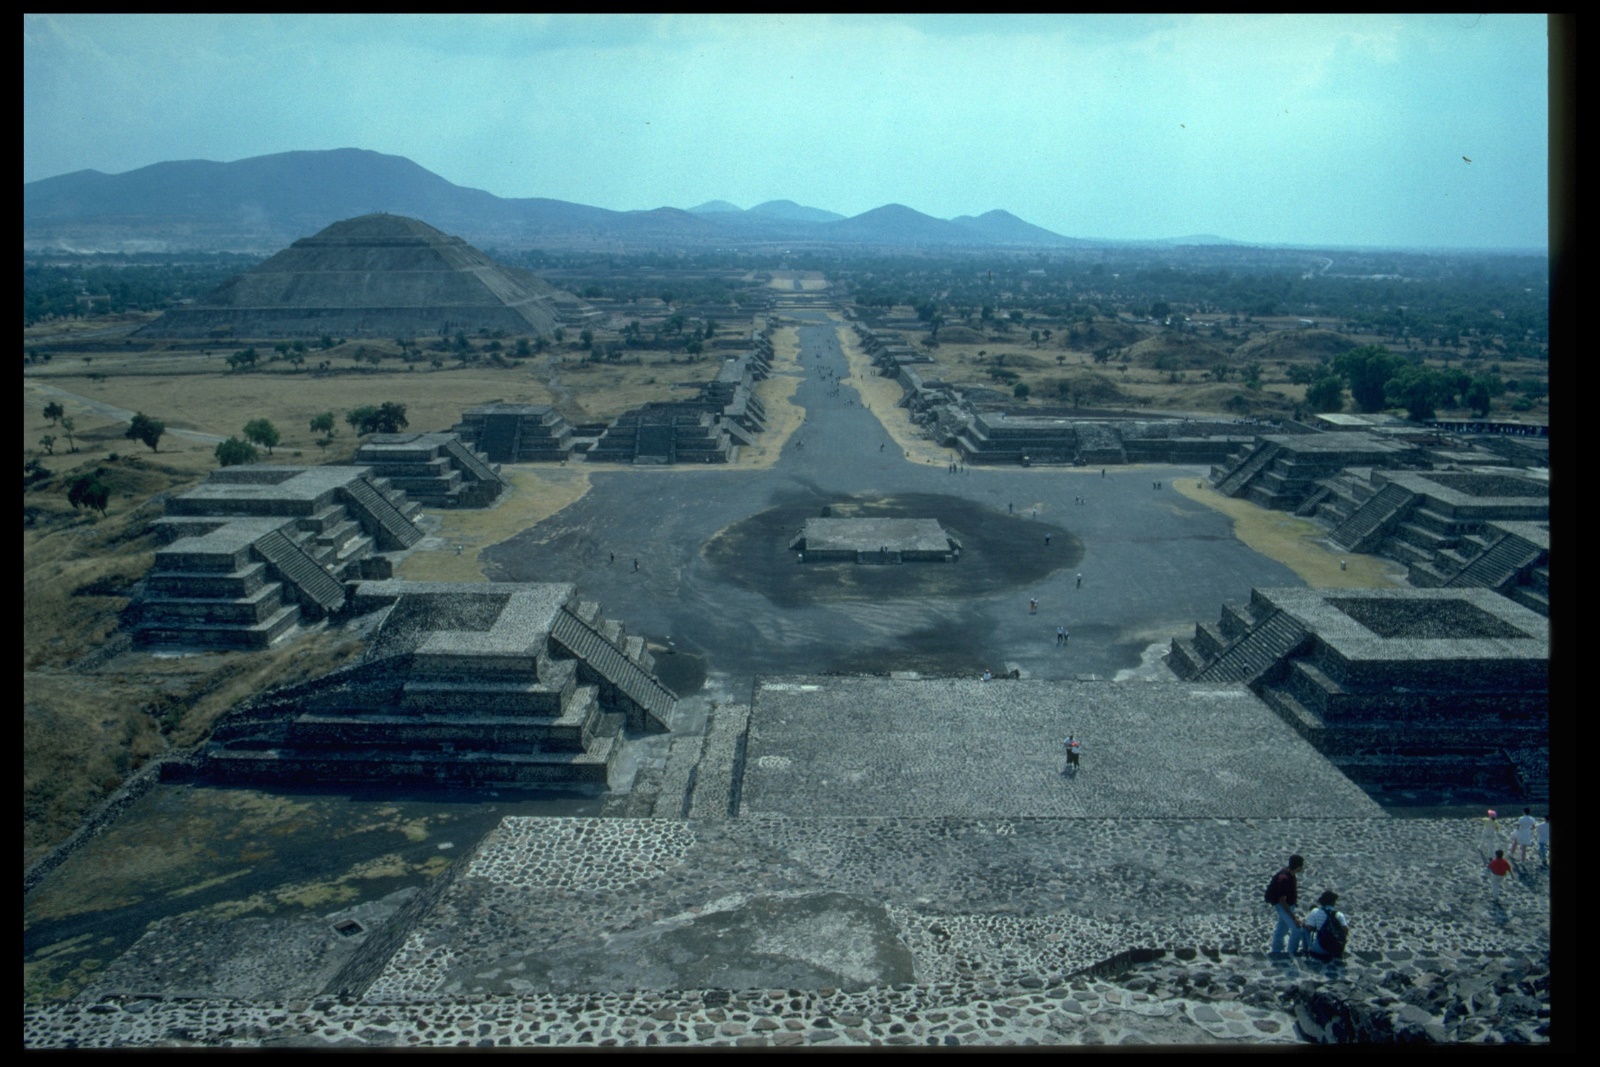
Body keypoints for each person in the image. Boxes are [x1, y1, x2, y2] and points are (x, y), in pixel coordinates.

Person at [1265, 855, 1306, 955]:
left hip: (1287, 905)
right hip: (1283, 907)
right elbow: (1282, 900)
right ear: (1298, 867)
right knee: (1296, 929)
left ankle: (1276, 951)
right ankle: (1292, 952)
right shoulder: (1285, 878)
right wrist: (1294, 917)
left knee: (1281, 929)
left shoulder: (1288, 874)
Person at [1303, 890, 1350, 960]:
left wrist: (1303, 924)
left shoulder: (1315, 911)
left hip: (1319, 950)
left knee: (1304, 930)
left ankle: (1305, 950)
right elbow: (1346, 930)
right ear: (1333, 902)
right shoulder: (1339, 914)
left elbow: (1310, 928)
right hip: (1336, 949)